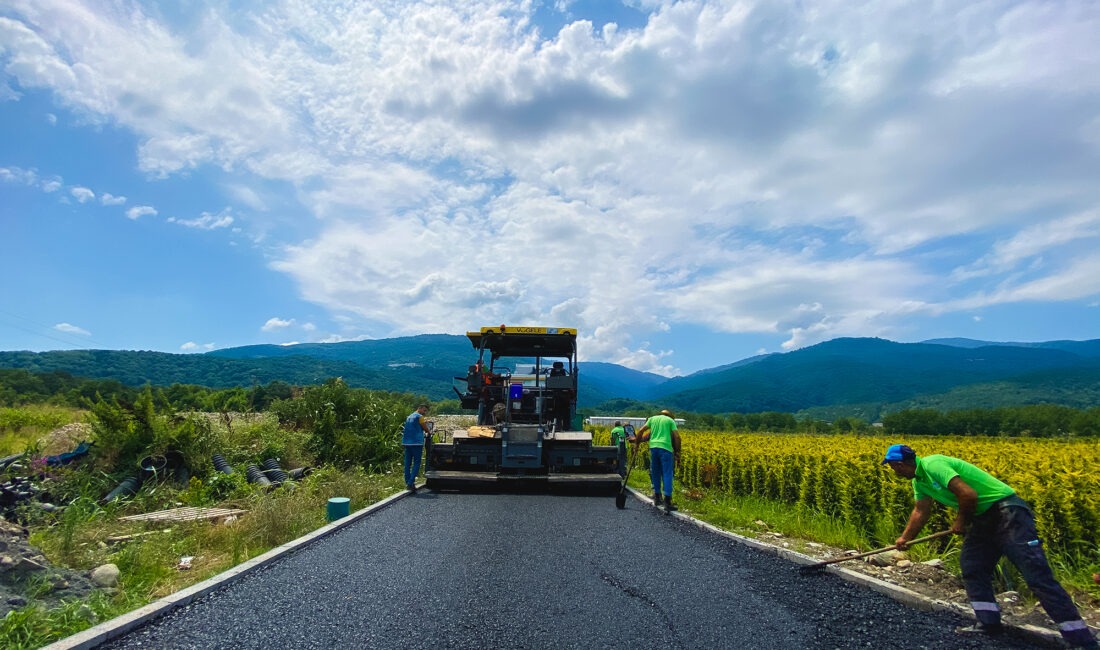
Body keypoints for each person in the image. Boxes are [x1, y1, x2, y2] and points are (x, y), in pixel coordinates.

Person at [882, 444, 1098, 648]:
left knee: (1036, 575)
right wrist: (905, 538)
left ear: (900, 464)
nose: (894, 472)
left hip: (1007, 513)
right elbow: (921, 510)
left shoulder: (933, 465)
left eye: (893, 468)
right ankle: (988, 623)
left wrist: (960, 521)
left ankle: (1081, 639)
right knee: (973, 567)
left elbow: (968, 494)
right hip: (983, 518)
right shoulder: (919, 482)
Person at [633, 409, 682, 514]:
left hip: (653, 448)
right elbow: (677, 437)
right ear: (670, 416)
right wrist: (677, 452)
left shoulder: (652, 419)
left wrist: (636, 444)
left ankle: (657, 497)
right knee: (667, 473)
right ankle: (667, 502)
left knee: (655, 472)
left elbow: (641, 431)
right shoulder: (670, 421)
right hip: (665, 449)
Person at [402, 403, 431, 492]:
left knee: (407, 463)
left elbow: (413, 426)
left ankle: (407, 482)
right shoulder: (419, 417)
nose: (425, 412)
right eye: (424, 410)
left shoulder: (409, 417)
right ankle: (411, 482)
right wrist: (429, 431)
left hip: (407, 442)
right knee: (417, 462)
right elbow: (425, 429)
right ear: (420, 408)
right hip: (416, 443)